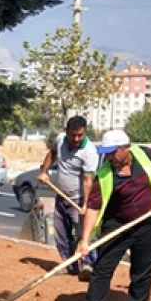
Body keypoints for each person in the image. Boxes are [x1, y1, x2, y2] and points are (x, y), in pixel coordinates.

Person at [68, 129, 151, 301]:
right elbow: (93, 207)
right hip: (116, 225)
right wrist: (85, 240)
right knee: (102, 269)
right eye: (106, 152)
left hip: (147, 223)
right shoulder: (105, 174)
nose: (109, 156)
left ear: (126, 148)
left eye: (113, 152)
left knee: (143, 270)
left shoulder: (147, 156)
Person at [37, 115, 99, 280]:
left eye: (80, 135)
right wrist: (44, 171)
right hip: (62, 196)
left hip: (79, 199)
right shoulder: (60, 140)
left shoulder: (89, 152)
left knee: (84, 234)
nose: (77, 138)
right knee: (61, 233)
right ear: (67, 132)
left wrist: (86, 204)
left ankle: (89, 265)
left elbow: (88, 181)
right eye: (73, 135)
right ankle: (70, 265)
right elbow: (52, 154)